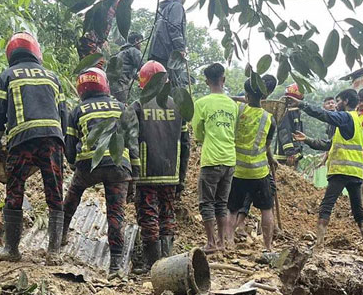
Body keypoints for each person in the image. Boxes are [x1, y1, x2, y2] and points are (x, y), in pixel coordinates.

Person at [0, 32, 67, 262]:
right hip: (52, 140)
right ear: (36, 52)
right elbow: (64, 114)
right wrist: (65, 147)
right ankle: (54, 253)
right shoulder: (53, 77)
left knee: (14, 192)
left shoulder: (7, 76)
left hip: (22, 141)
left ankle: (11, 250)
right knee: (55, 194)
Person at [63, 68, 136, 278]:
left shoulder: (78, 110)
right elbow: (133, 143)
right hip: (118, 165)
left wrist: (73, 164)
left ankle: (60, 237)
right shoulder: (122, 107)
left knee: (71, 200)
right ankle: (115, 266)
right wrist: (134, 174)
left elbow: (70, 145)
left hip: (88, 165)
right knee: (116, 214)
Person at [287, 89, 363, 256]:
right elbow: (329, 144)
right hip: (355, 173)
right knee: (358, 210)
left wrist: (302, 105)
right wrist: (308, 140)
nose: (336, 104)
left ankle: (319, 246)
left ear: (346, 101)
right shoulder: (354, 120)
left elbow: (324, 115)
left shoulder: (345, 117)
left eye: (339, 101)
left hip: (341, 171)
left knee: (326, 206)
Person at [130, 61, 190, 269]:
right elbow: (186, 145)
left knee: (148, 215)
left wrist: (132, 175)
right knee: (167, 214)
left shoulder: (138, 106)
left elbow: (130, 141)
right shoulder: (178, 108)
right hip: (170, 172)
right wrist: (181, 177)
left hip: (146, 173)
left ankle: (153, 264)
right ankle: (168, 262)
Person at [192, 63, 239, 253]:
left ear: (206, 81)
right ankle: (221, 242)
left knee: (206, 203)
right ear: (224, 79)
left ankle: (211, 243)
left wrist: (206, 138)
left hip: (211, 159)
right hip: (229, 159)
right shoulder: (233, 105)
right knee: (222, 203)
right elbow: (233, 131)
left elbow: (197, 133)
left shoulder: (201, 103)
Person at [228, 75, 277, 252]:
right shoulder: (269, 118)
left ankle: (229, 243)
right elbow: (267, 146)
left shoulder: (238, 110)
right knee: (266, 209)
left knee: (232, 209)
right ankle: (268, 246)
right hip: (259, 171)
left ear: (246, 95)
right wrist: (271, 158)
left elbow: (234, 101)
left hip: (238, 170)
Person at [148, 0, 187, 87]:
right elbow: (174, 26)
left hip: (156, 52)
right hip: (168, 54)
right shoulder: (177, 6)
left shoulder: (163, 8)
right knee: (173, 85)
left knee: (158, 85)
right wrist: (180, 48)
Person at [275, 83, 304, 167]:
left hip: (293, 155)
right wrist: (290, 153)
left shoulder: (295, 112)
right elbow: (284, 132)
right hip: (285, 157)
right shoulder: (287, 112)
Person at [111, 32, 144, 103]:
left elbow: (130, 71)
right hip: (121, 84)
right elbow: (143, 67)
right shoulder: (134, 50)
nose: (141, 45)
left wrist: (140, 79)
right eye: (140, 42)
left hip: (112, 85)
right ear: (136, 40)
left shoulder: (122, 52)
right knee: (122, 106)